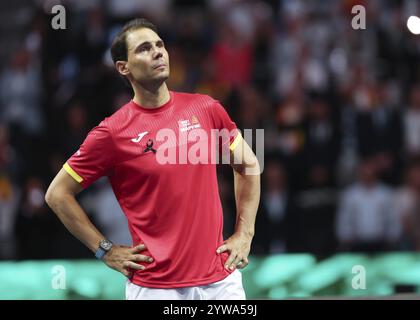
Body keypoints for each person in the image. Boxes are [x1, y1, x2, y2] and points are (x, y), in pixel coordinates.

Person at [45, 18, 261, 300]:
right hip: (154, 288)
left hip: (221, 283)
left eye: (160, 45)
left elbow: (249, 165)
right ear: (123, 67)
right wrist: (105, 250)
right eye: (144, 48)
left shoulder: (206, 108)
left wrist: (245, 233)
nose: (158, 52)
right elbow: (56, 194)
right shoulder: (111, 132)